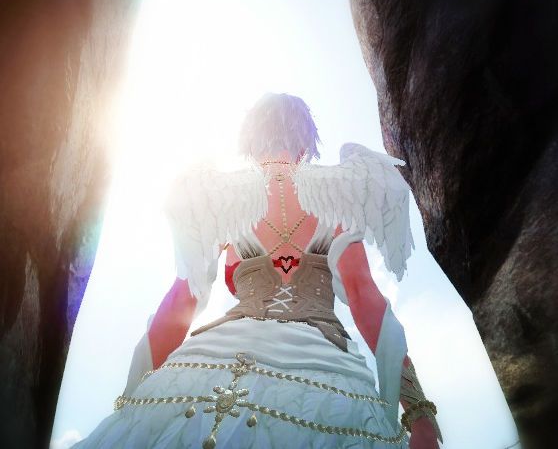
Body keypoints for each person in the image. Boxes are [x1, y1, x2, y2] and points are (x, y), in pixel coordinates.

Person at [74, 93, 442, 449]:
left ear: (250, 139)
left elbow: (179, 302)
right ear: (306, 142)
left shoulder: (220, 199)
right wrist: (419, 413)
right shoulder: (338, 195)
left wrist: (132, 400)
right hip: (321, 364)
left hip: (213, 360)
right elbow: (364, 298)